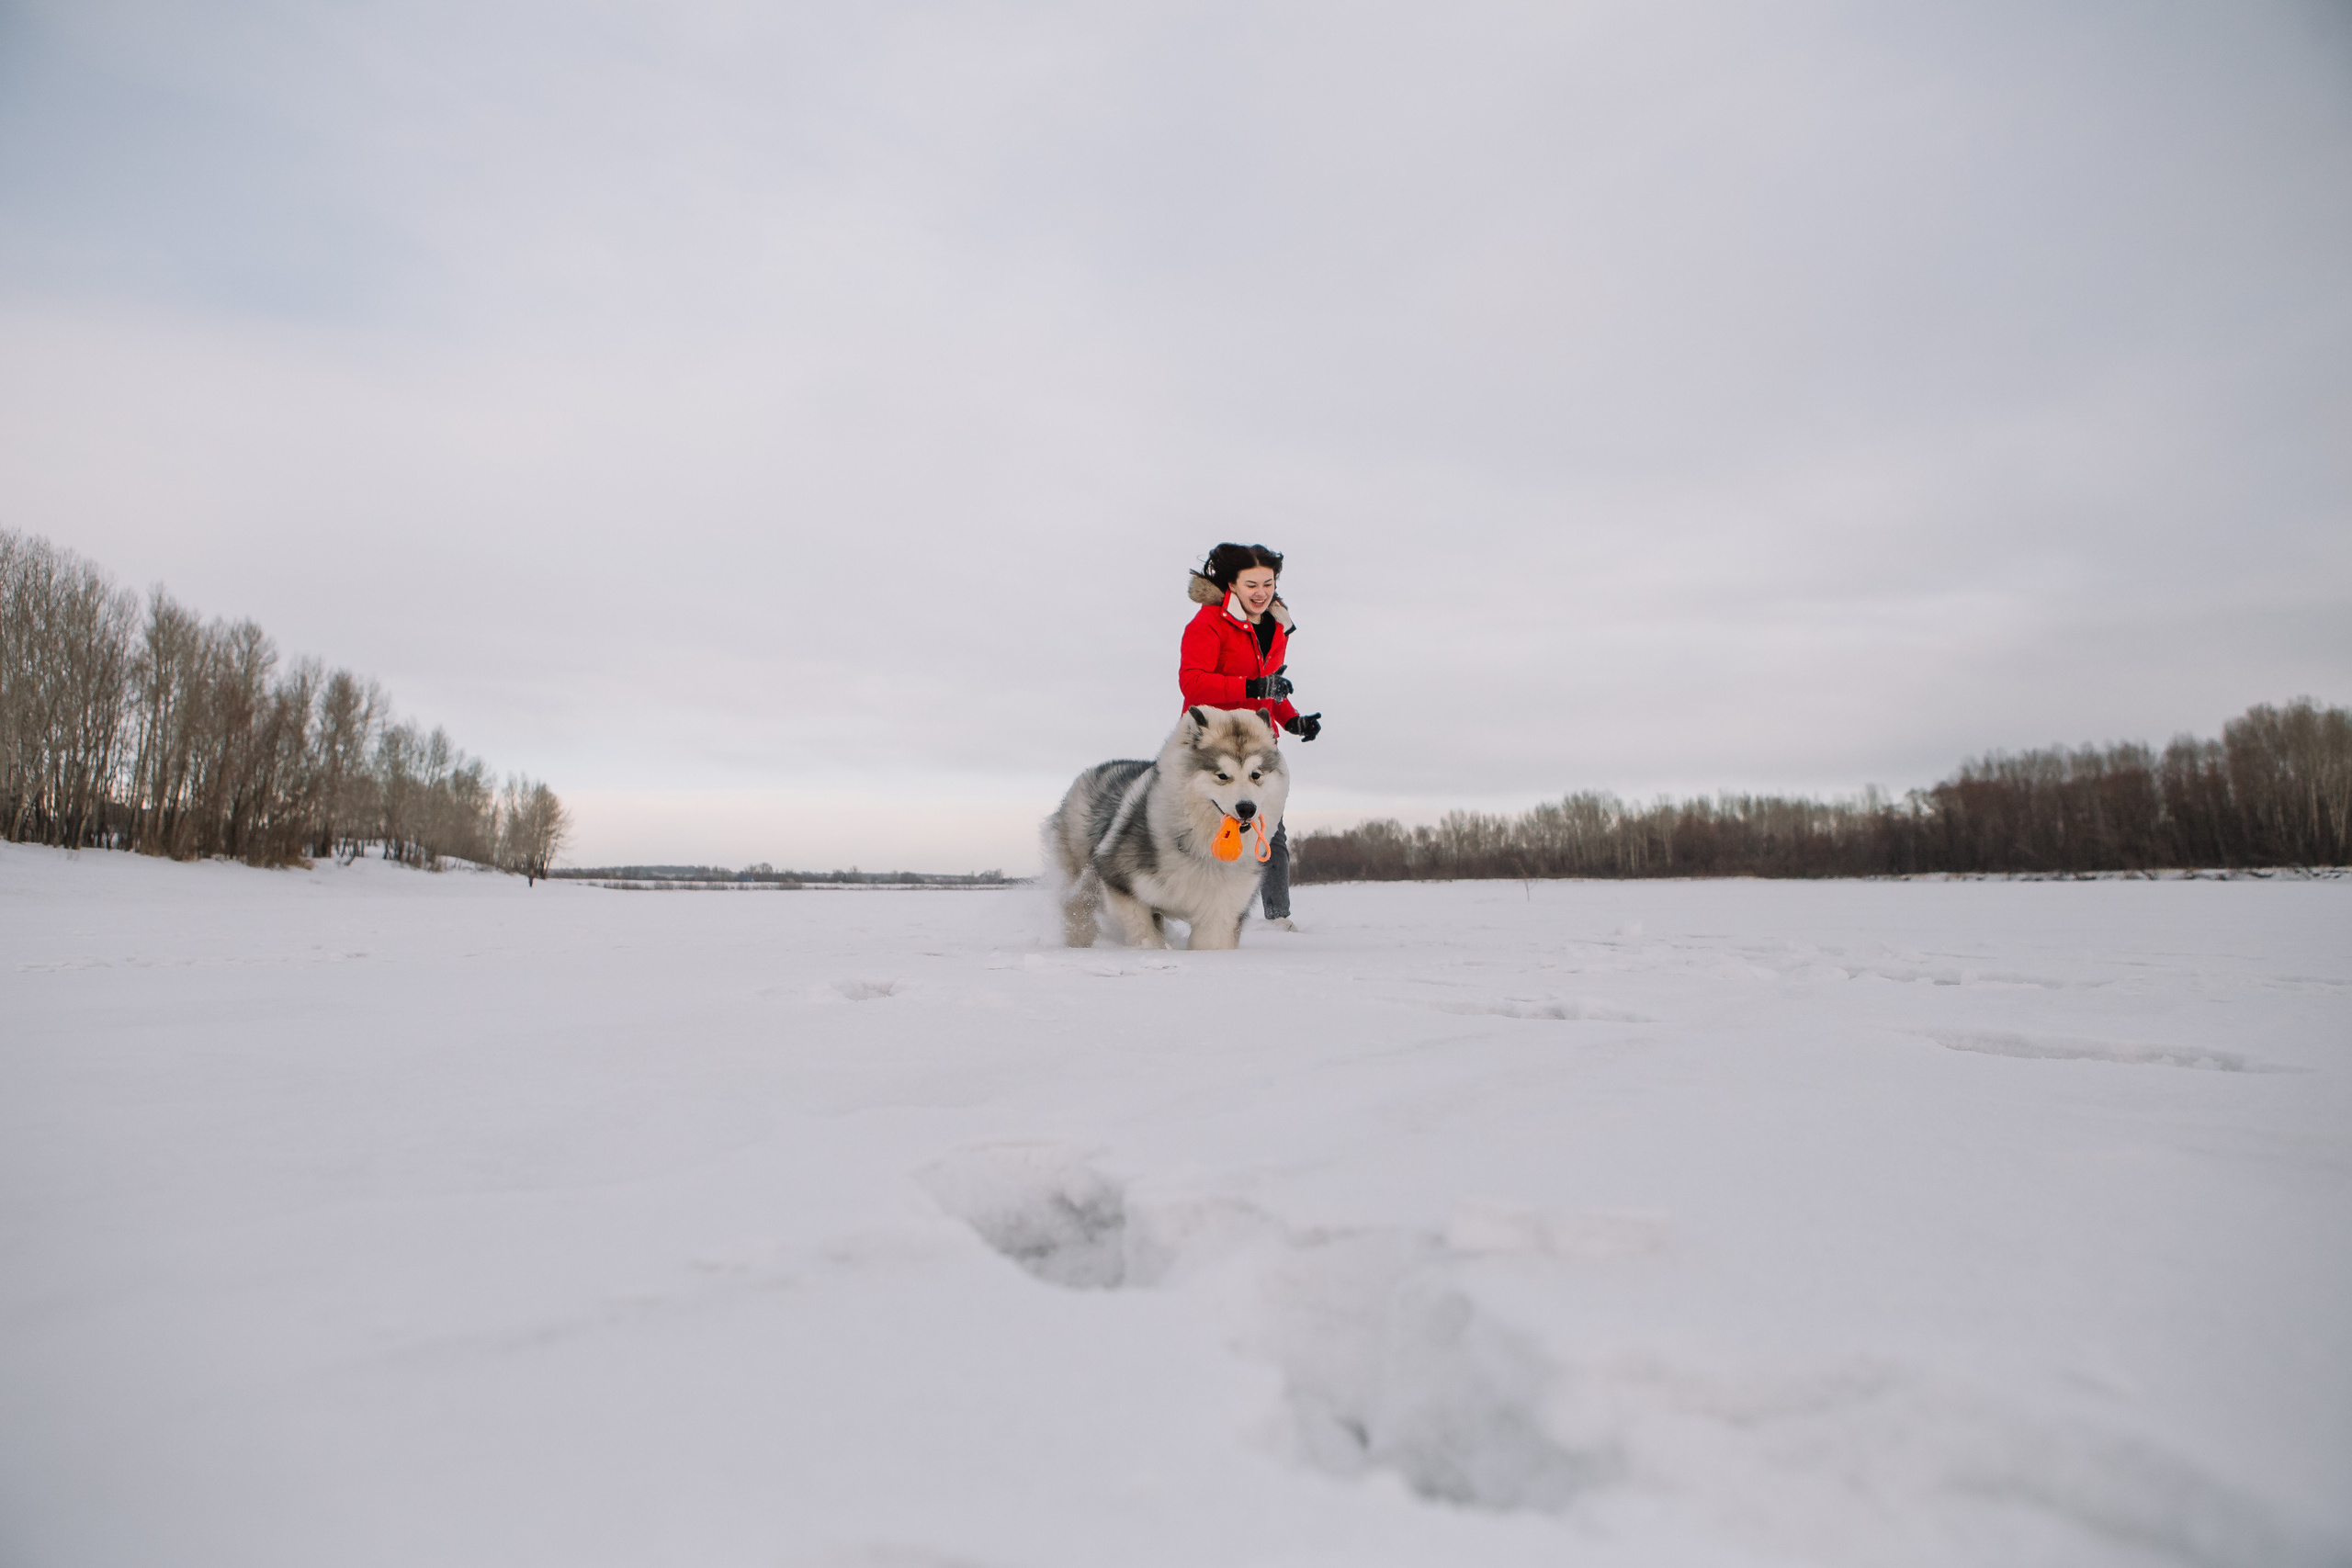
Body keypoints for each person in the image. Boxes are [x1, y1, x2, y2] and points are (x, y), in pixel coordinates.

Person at [1181, 543, 1322, 929]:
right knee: (1195, 830)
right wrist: (1253, 685)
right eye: (1251, 585)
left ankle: (1278, 916)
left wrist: (1292, 720)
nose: (1261, 593)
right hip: (1213, 744)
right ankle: (1187, 908)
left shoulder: (1275, 626)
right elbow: (1193, 683)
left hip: (1257, 744)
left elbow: (1267, 689)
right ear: (1231, 584)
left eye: (1268, 583)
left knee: (1269, 829)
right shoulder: (1209, 623)